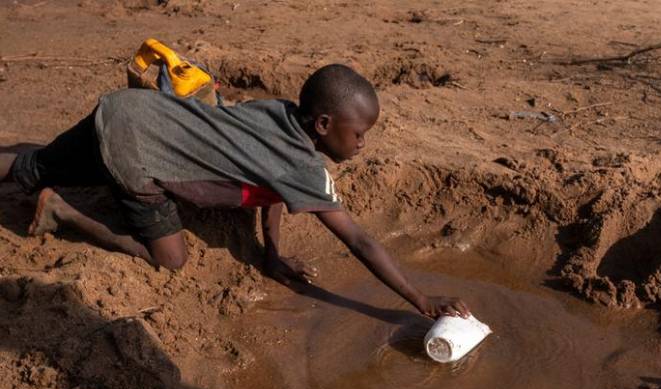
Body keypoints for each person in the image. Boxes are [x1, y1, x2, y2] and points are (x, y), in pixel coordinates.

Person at [0, 64, 470, 319]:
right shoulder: (304, 166)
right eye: (359, 133)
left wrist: (272, 254)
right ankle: (63, 213)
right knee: (171, 259)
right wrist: (421, 299)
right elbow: (359, 241)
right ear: (324, 126)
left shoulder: (281, 113)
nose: (363, 143)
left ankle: (38, 181)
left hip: (125, 111)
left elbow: (270, 190)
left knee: (30, 165)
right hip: (137, 156)